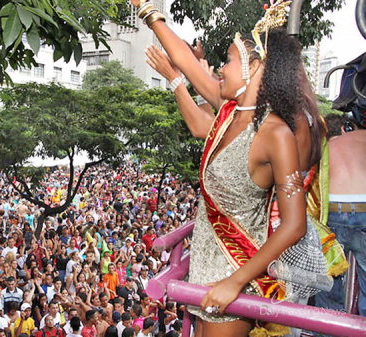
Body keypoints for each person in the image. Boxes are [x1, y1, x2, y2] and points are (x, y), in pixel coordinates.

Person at [135, 0, 325, 335]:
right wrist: (147, 9)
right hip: (207, 269)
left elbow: (294, 225)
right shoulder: (228, 113)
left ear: (256, 67)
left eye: (228, 60)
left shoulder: (276, 133)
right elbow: (181, 60)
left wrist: (234, 282)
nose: (219, 69)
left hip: (238, 274)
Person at [315, 129, 366, 315]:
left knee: (328, 281)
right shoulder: (362, 138)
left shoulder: (327, 145)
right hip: (364, 207)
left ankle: (326, 329)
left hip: (333, 209)